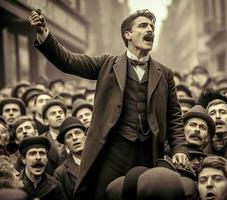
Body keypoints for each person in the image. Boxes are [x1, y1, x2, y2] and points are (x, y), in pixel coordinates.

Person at [29, 9, 187, 200]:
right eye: (143, 25)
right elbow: (68, 61)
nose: (150, 29)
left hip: (149, 151)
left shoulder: (165, 73)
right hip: (113, 151)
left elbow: (174, 115)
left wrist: (179, 149)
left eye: (152, 27)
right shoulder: (106, 64)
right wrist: (44, 34)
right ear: (127, 35)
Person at [54, 116, 87, 199]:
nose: (75, 138)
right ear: (65, 144)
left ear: (86, 136)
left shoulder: (101, 159)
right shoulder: (61, 173)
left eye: (77, 132)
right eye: (69, 136)